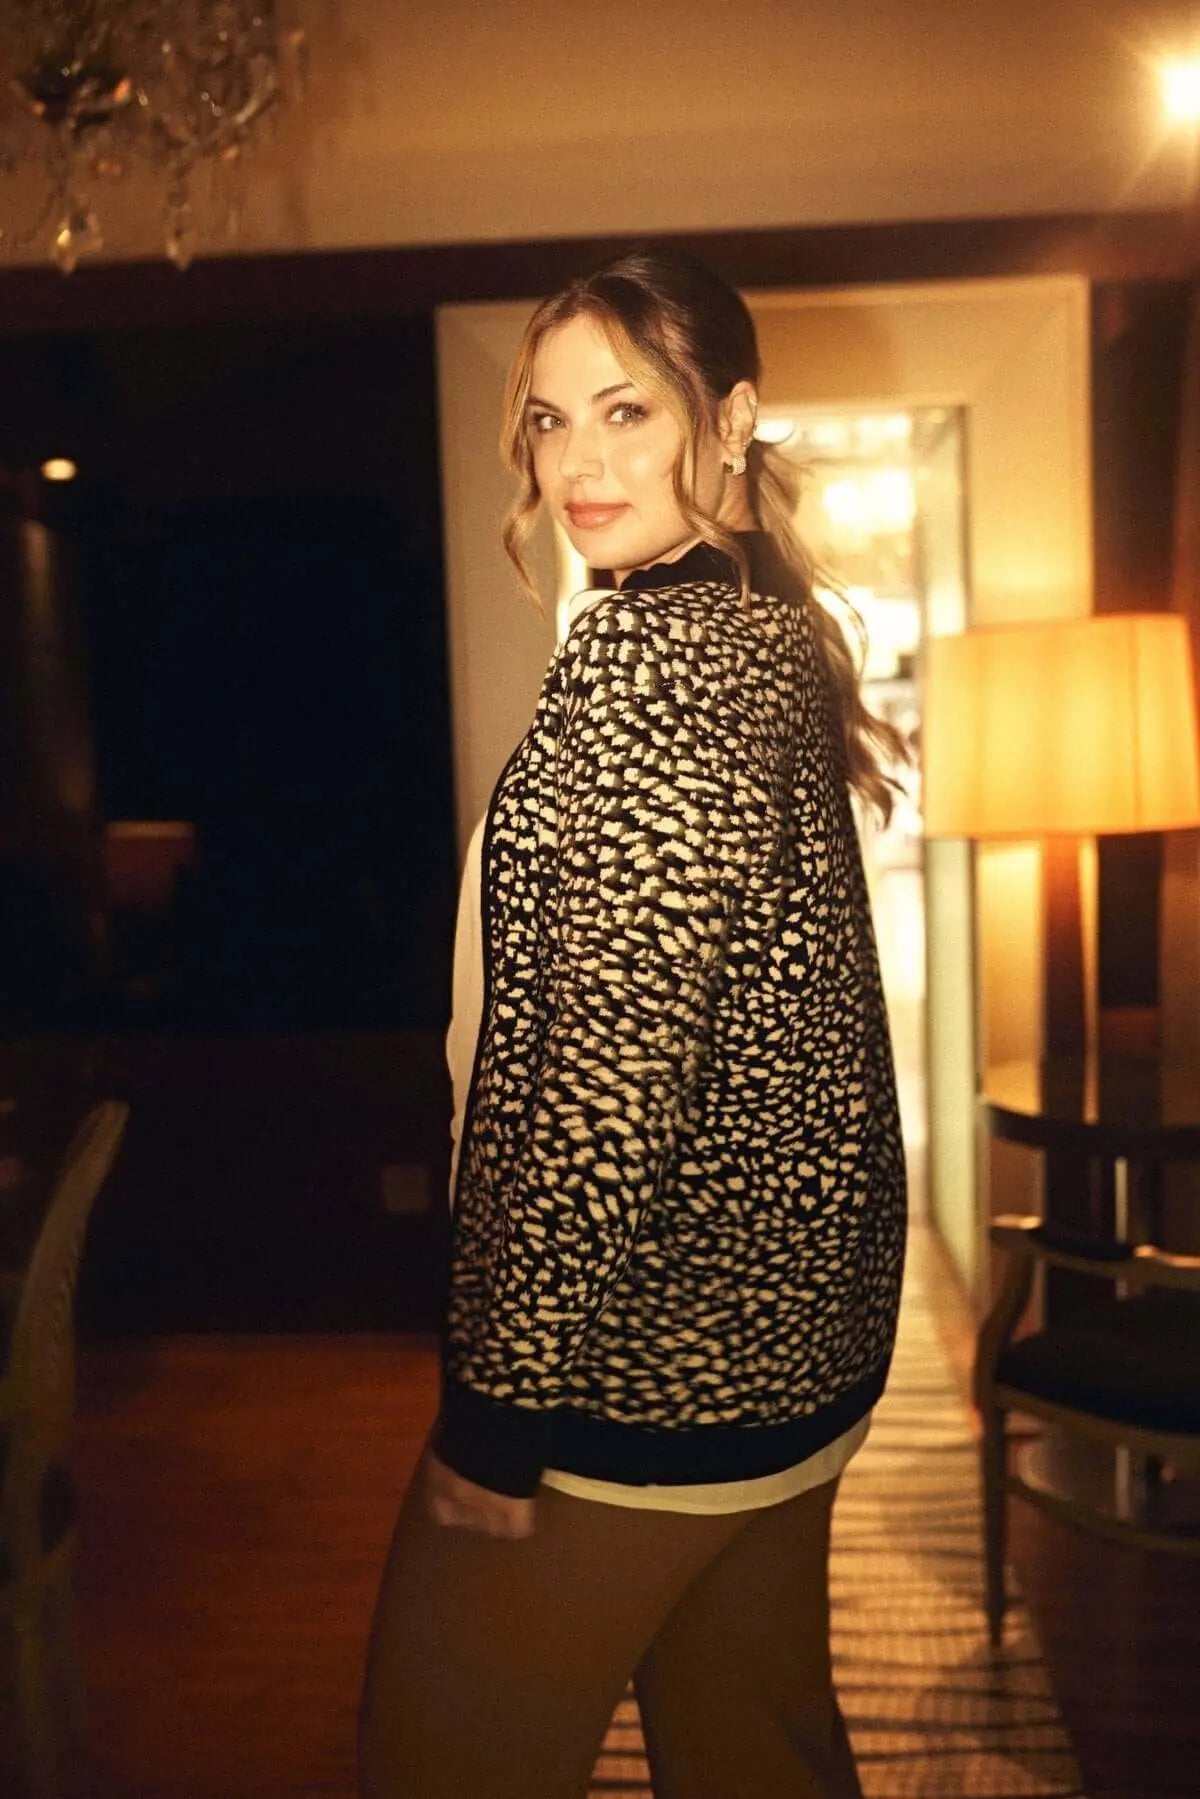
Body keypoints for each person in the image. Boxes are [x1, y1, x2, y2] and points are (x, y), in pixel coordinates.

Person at [359, 250, 908, 1799]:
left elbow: (609, 1082)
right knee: (755, 1756)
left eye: (626, 410)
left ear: (727, 418)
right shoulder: (759, 627)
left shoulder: (657, 663)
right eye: (549, 420)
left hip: (637, 1366)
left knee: (435, 1763)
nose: (578, 463)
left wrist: (498, 1410)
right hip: (788, 1348)